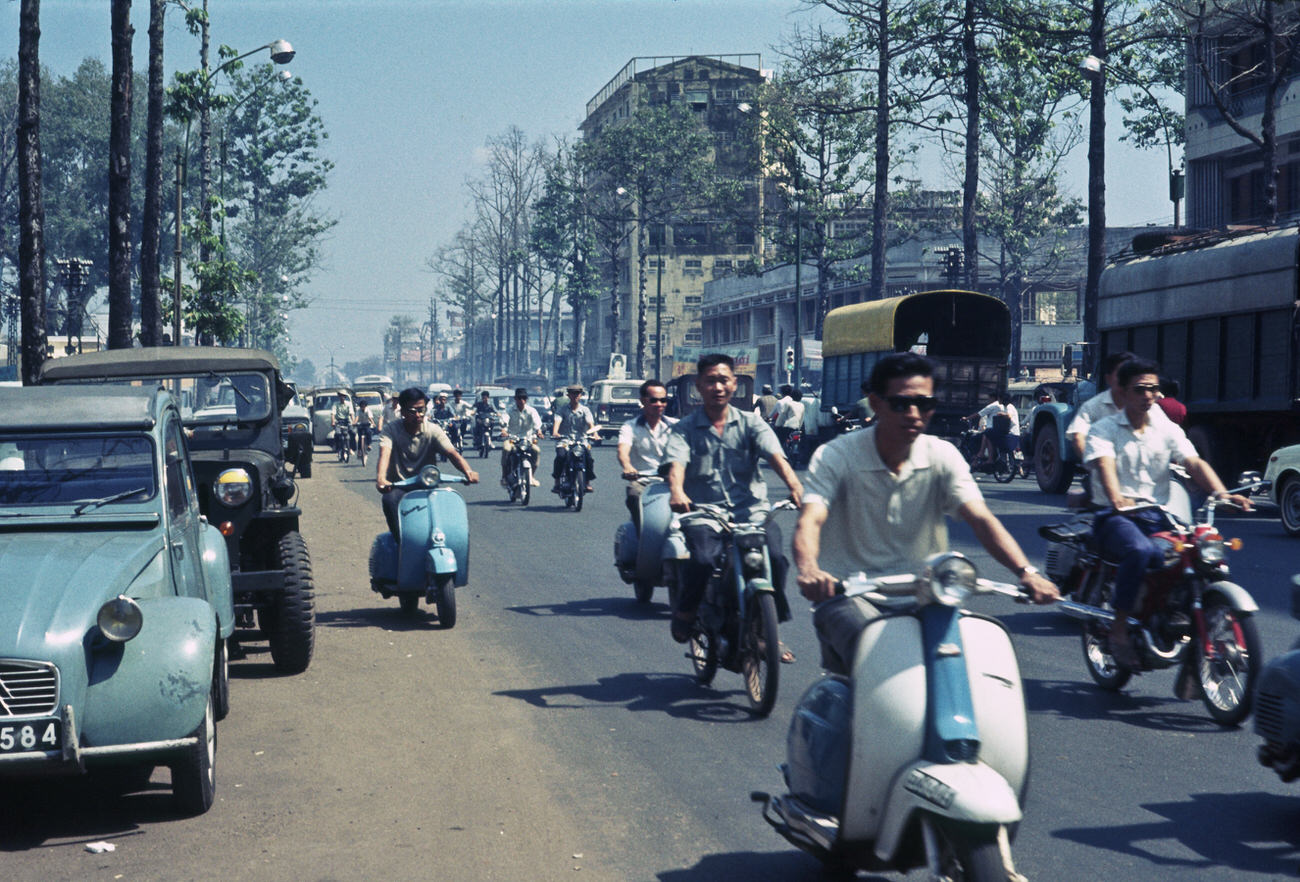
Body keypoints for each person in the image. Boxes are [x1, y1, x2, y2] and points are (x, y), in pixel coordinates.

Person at [793, 352, 1060, 675]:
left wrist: (1027, 572)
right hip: (849, 595)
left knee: (975, 667)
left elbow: (981, 520)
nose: (915, 414)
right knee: (878, 661)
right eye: (901, 404)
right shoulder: (837, 455)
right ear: (876, 404)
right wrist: (809, 569)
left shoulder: (942, 455)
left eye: (925, 404)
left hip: (927, 596)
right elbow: (811, 519)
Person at [1085, 358, 1251, 669]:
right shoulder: (1104, 429)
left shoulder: (1165, 428)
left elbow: (1193, 462)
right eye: (1140, 389)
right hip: (1115, 517)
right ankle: (1119, 628)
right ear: (1121, 392)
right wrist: (1116, 497)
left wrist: (1222, 493)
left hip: (1159, 516)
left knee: (1203, 554)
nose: (1148, 395)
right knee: (1140, 551)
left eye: (1153, 389)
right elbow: (1104, 464)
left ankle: (1192, 635)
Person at [665, 353, 804, 662]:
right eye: (710, 380)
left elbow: (776, 457)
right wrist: (676, 491)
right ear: (699, 386)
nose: (718, 386)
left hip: (752, 512)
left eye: (724, 380)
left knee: (777, 559)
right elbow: (676, 465)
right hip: (705, 514)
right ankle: (686, 611)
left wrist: (795, 486)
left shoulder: (752, 423)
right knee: (702, 560)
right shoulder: (684, 429)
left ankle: (770, 632)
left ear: (734, 384)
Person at [374, 387, 479, 537]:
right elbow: (384, 454)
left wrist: (468, 471)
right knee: (389, 500)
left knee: (451, 516)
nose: (418, 415)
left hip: (427, 486)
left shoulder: (433, 430)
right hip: (400, 486)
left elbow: (452, 453)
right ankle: (401, 543)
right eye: (412, 411)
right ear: (402, 412)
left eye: (421, 410)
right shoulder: (391, 430)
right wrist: (381, 479)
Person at [616, 379, 677, 532]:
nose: (659, 404)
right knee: (633, 494)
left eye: (663, 400)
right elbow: (623, 450)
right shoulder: (630, 427)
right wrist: (628, 467)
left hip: (673, 481)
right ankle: (642, 534)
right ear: (643, 401)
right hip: (644, 482)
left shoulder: (676, 426)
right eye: (654, 400)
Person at [551, 384, 598, 493]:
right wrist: (555, 432)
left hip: (581, 441)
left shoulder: (585, 410)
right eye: (573, 393)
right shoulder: (562, 410)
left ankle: (587, 482)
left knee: (589, 458)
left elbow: (590, 423)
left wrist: (595, 434)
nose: (575, 396)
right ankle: (557, 482)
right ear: (568, 395)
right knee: (560, 456)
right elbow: (557, 421)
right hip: (565, 440)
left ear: (580, 395)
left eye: (578, 393)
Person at [501, 388, 542, 486]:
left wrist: (539, 431)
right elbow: (504, 421)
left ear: (526, 399)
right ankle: (504, 476)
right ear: (515, 399)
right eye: (519, 398)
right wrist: (503, 430)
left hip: (527, 439)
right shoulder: (509, 410)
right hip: (512, 438)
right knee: (506, 449)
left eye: (524, 398)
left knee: (536, 450)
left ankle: (531, 476)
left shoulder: (532, 411)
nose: (522, 401)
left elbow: (537, 423)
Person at [968, 392, 1018, 466]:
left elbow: (1009, 416)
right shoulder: (1006, 406)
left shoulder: (1008, 407)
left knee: (987, 433)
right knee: (989, 433)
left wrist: (1002, 414)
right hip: (1009, 431)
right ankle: (985, 455)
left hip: (1010, 432)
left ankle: (986, 456)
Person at [331, 391, 356, 456]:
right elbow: (333, 414)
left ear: (345, 397)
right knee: (337, 433)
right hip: (339, 421)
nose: (342, 397)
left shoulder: (349, 404)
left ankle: (350, 448)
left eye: (343, 396)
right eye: (340, 396)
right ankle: (336, 447)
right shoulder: (335, 404)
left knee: (352, 432)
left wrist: (353, 421)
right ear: (339, 396)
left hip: (347, 421)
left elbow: (351, 413)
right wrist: (333, 421)